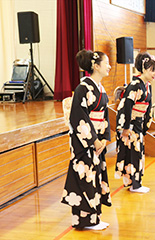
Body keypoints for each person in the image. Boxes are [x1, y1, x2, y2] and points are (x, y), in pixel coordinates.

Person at [61, 49, 112, 230]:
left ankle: (94, 218)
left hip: (96, 140)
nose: (109, 67)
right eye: (106, 63)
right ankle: (84, 221)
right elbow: (79, 117)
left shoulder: (100, 88)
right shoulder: (83, 88)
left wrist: (104, 138)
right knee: (85, 177)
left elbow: (104, 116)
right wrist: (94, 140)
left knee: (95, 177)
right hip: (84, 142)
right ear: (96, 66)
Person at [114, 52, 155, 193]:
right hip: (131, 123)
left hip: (138, 123)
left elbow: (148, 106)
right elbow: (127, 106)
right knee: (133, 153)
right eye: (152, 70)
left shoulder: (147, 85)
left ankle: (136, 184)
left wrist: (146, 124)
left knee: (138, 153)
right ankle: (135, 184)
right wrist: (126, 127)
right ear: (144, 69)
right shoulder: (135, 85)